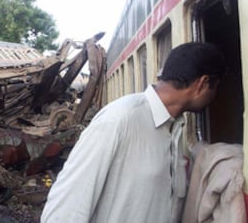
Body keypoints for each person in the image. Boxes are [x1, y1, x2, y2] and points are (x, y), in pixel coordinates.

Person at [41, 42, 226, 223]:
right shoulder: (119, 119)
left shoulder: (174, 128)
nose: (216, 95)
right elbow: (65, 208)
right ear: (203, 84)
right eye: (216, 87)